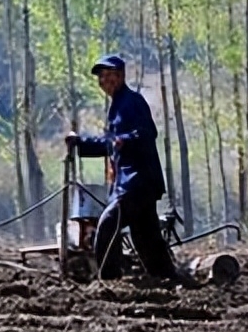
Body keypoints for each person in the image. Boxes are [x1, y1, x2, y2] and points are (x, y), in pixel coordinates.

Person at [65, 54, 182, 284]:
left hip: (138, 181)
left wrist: (125, 140)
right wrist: (80, 143)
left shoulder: (132, 102)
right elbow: (110, 145)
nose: (104, 81)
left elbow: (147, 132)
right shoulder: (117, 106)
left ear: (120, 77)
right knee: (145, 238)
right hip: (134, 183)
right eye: (101, 77)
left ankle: (110, 281)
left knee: (108, 224)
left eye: (109, 75)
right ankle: (168, 279)